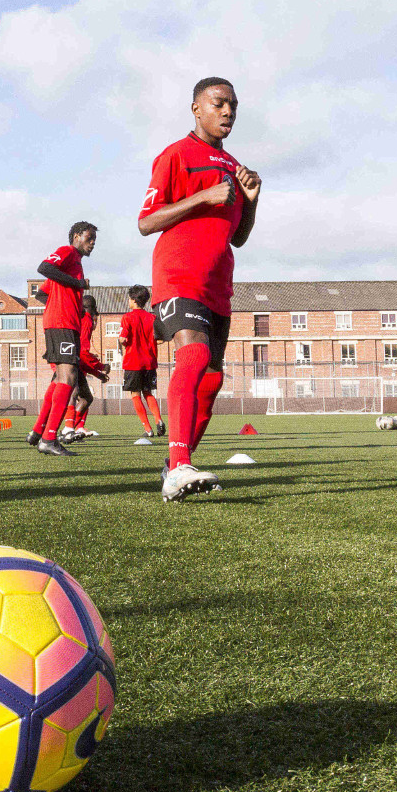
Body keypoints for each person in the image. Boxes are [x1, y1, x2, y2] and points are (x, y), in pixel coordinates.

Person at [138, 79, 260, 501]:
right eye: (218, 103)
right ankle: (178, 464)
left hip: (218, 282)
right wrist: (203, 196)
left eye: (234, 106)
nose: (228, 112)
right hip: (178, 272)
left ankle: (178, 466)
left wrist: (252, 199)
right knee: (194, 354)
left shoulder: (235, 166)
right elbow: (146, 221)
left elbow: (239, 236)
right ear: (196, 108)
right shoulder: (176, 155)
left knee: (212, 377)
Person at [27, 223, 98, 457]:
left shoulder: (74, 264)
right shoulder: (68, 252)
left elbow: (42, 292)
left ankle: (38, 432)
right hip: (62, 324)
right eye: (89, 238)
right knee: (67, 378)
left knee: (59, 378)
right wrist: (76, 286)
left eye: (94, 239)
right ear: (76, 236)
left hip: (64, 322)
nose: (93, 242)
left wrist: (67, 300)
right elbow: (44, 267)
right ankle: (49, 438)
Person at [59, 292, 109, 442]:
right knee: (74, 395)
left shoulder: (78, 319)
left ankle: (72, 428)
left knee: (83, 397)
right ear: (93, 310)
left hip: (65, 358)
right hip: (71, 361)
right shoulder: (86, 321)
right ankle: (66, 429)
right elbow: (82, 352)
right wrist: (99, 367)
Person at [118, 285, 165, 440]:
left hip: (133, 362)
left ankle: (148, 428)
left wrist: (121, 341)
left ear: (133, 300)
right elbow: (160, 339)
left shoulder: (127, 317)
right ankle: (159, 420)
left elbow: (124, 338)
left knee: (135, 394)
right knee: (148, 393)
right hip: (150, 361)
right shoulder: (152, 318)